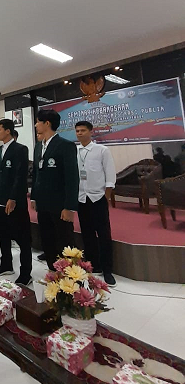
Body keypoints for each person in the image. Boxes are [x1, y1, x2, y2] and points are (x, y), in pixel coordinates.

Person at [31, 109, 79, 270]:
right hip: (43, 203)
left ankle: (71, 277)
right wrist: (34, 197)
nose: (36, 125)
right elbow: (37, 174)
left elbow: (72, 178)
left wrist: (70, 206)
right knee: (47, 240)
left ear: (47, 123)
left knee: (65, 241)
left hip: (60, 204)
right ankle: (53, 271)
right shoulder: (39, 146)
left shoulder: (65, 145)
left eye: (38, 121)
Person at [0, 119, 32, 284]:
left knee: (22, 238)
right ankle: (6, 264)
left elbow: (20, 176)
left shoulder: (20, 149)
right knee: (3, 235)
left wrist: (13, 198)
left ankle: (26, 273)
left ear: (8, 131)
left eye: (0, 129)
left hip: (14, 202)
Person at [75, 121, 117, 287]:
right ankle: (93, 265)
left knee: (104, 234)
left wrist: (106, 195)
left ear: (91, 132)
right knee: (87, 234)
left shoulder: (101, 150)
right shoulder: (75, 151)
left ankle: (107, 270)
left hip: (97, 197)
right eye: (77, 131)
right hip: (81, 198)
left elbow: (110, 174)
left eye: (83, 130)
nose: (79, 133)